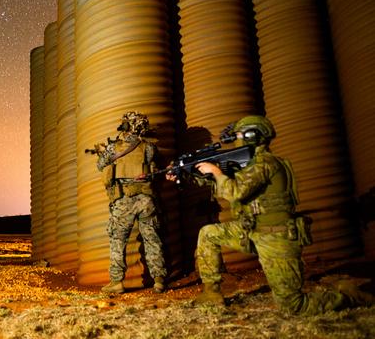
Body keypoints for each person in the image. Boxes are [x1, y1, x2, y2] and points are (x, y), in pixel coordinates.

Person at [167, 115, 373, 314]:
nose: (237, 140)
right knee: (209, 233)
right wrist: (186, 174)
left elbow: (234, 191)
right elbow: (220, 182)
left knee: (294, 306)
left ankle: (349, 297)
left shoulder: (266, 164)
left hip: (277, 237)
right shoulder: (251, 165)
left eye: (240, 135)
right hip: (252, 231)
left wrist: (216, 172)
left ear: (252, 136)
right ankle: (211, 293)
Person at [95, 111, 167, 294]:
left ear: (127, 125)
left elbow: (101, 165)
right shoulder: (149, 148)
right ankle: (159, 280)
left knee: (118, 240)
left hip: (124, 199)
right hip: (146, 199)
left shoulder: (114, 148)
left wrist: (102, 152)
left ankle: (117, 282)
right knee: (152, 239)